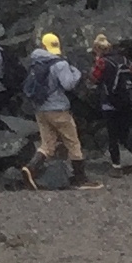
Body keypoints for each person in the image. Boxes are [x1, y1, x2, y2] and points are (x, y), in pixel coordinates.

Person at [26, 33, 86, 175]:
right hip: (58, 109)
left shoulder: (35, 62)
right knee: (73, 142)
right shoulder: (60, 64)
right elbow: (68, 84)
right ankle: (80, 177)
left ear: (43, 46)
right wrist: (76, 72)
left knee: (47, 144)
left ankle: (30, 168)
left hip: (40, 109)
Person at [88, 34, 132, 163]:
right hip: (126, 101)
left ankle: (116, 166)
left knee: (112, 135)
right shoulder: (125, 60)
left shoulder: (102, 62)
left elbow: (94, 78)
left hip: (109, 103)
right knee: (125, 130)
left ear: (97, 49)